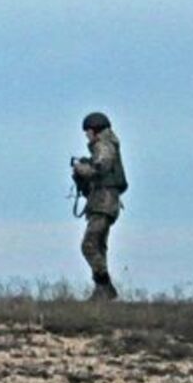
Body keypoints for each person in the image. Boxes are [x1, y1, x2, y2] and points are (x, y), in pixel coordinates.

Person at [72, 112, 128, 301]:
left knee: (89, 245)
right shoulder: (107, 144)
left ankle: (104, 286)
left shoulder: (103, 145)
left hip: (104, 202)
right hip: (103, 201)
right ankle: (102, 290)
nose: (86, 136)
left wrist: (81, 168)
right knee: (98, 246)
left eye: (87, 132)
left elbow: (101, 167)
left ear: (94, 130)